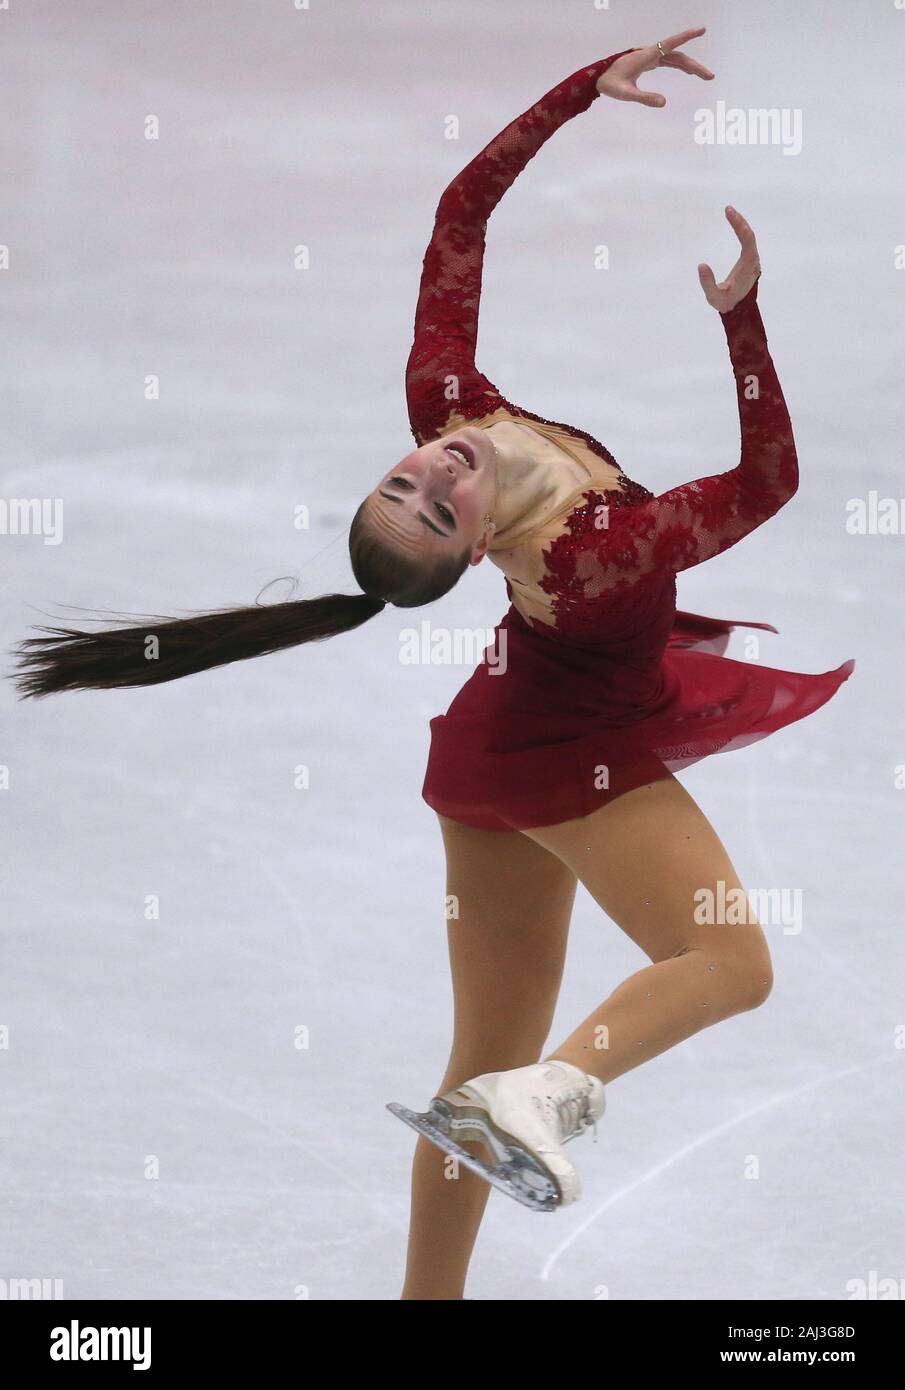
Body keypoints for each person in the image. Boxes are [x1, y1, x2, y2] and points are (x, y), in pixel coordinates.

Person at [13, 29, 854, 1302]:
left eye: (409, 477)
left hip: (490, 750)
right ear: (477, 554)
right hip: (579, 752)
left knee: (479, 1060)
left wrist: (584, 86)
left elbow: (460, 212)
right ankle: (553, 1102)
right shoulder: (592, 551)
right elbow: (766, 484)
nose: (438, 463)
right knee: (733, 963)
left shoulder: (446, 394)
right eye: (437, 500)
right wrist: (743, 325)